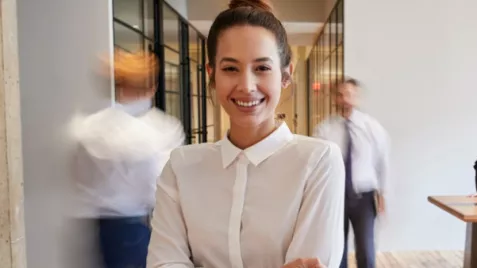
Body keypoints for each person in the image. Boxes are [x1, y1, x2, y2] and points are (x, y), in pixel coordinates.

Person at [146, 1, 345, 267]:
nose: (247, 86)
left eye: (262, 68)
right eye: (230, 68)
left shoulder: (318, 161)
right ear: (212, 75)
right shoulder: (181, 167)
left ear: (285, 75)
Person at [70, 50, 184, 268]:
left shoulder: (87, 128)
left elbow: (77, 178)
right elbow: (161, 188)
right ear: (153, 87)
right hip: (134, 229)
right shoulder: (160, 132)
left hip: (91, 228)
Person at [314, 78, 390, 268]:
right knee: (337, 247)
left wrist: (384, 194)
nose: (345, 99)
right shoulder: (324, 129)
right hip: (335, 196)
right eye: (340, 95)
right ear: (334, 98)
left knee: (366, 248)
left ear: (357, 98)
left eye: (349, 94)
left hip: (364, 196)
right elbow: (317, 166)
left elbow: (383, 162)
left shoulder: (372, 127)